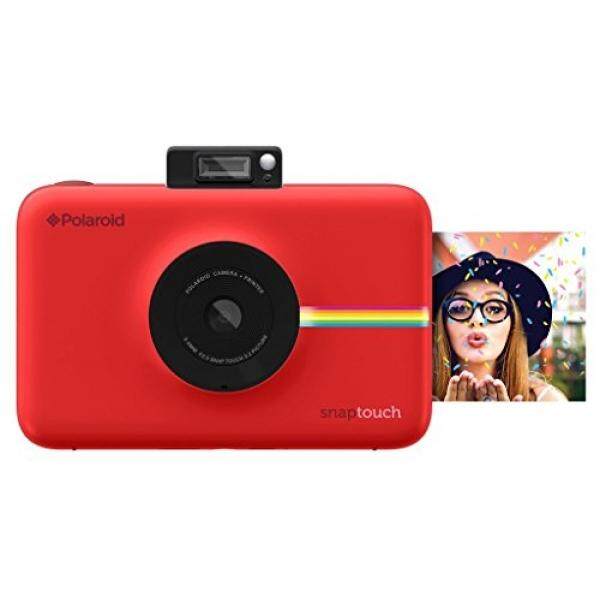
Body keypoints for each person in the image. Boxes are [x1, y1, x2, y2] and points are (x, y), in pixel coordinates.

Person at [433, 251, 567, 401]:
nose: (477, 320)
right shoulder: (418, 400)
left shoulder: (548, 401)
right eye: (460, 308)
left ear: (513, 324)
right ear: (442, 323)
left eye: (494, 309)